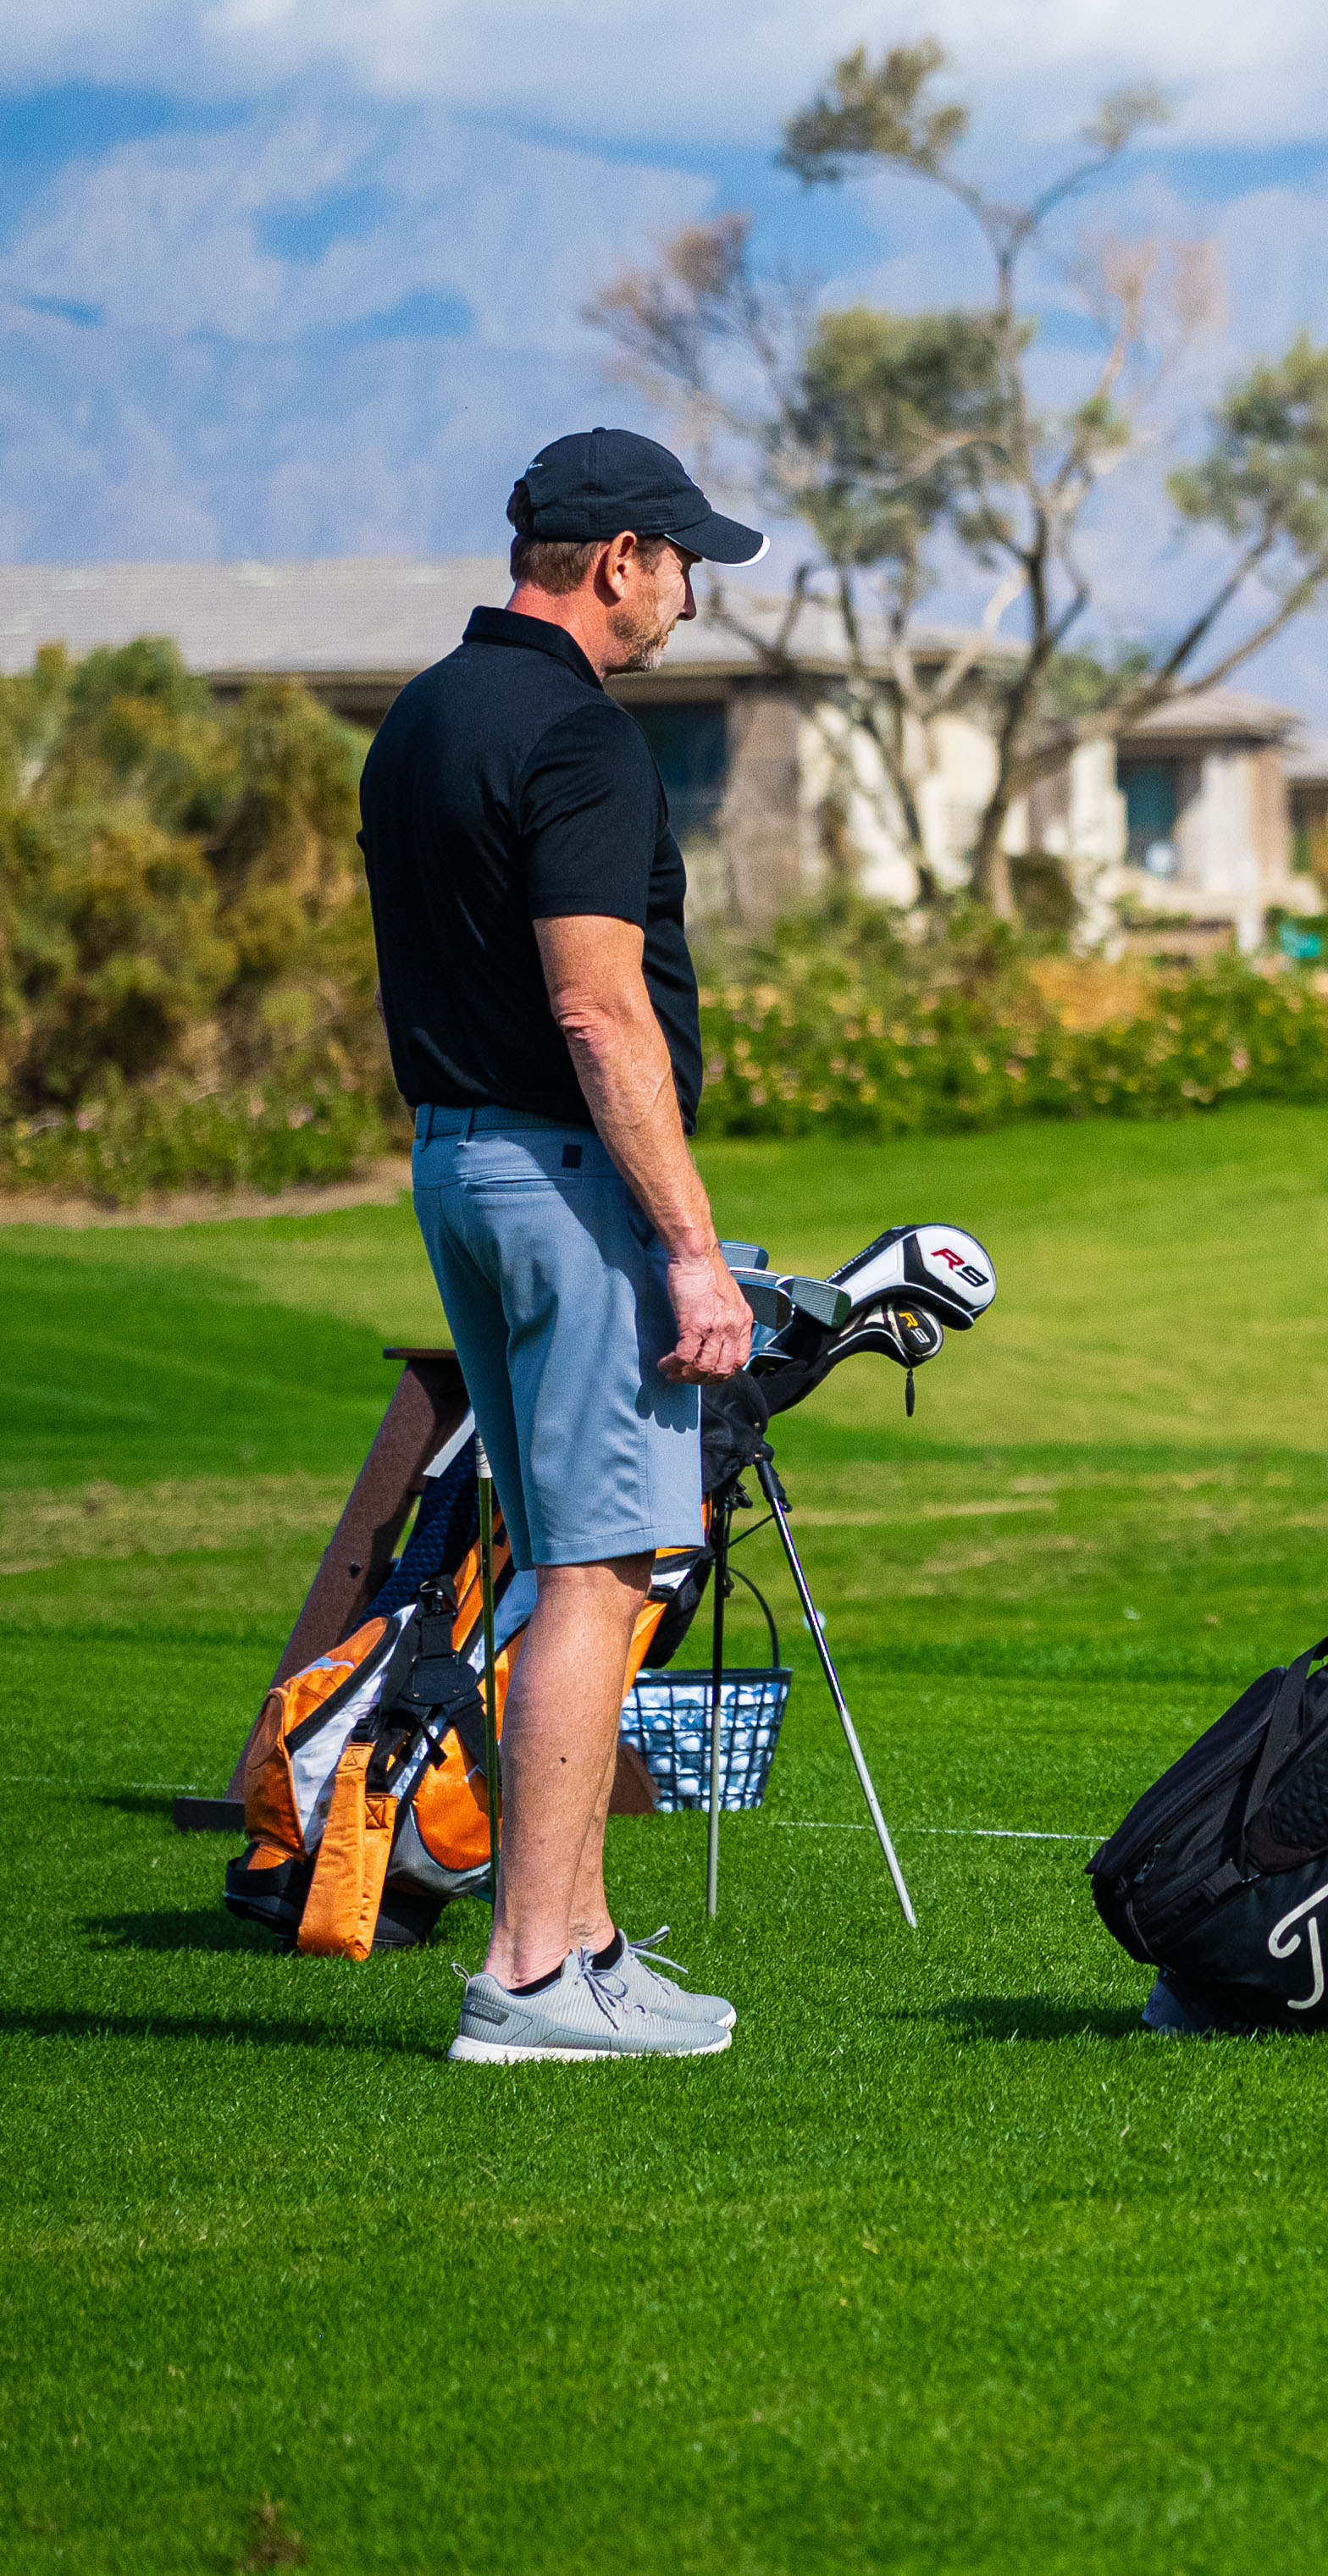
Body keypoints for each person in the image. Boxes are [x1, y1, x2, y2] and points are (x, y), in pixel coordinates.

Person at [361, 428, 769, 2062]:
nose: (687, 600)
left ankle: (587, 1940)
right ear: (616, 560)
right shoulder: (583, 740)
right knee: (601, 1572)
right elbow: (599, 1009)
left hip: (458, 1163)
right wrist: (691, 1249)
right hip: (568, 1185)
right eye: (681, 566)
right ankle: (530, 1975)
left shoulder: (429, 711)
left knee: (563, 1561)